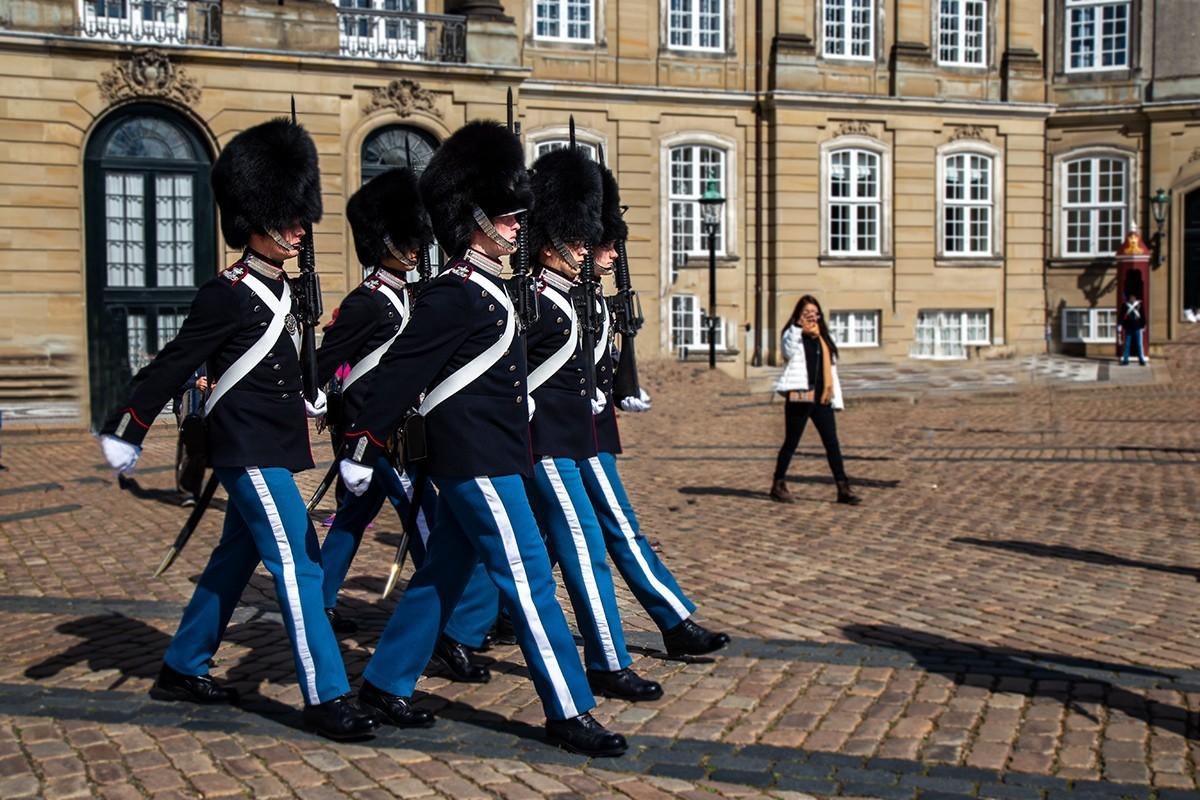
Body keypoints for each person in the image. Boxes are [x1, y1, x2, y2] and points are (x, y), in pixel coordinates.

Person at [337, 120, 627, 757]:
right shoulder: (454, 293)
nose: (520, 225)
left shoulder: (495, 286)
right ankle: (569, 707)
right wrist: (361, 445)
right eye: (506, 216)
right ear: (473, 220)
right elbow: (398, 373)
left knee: (441, 575)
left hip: (497, 454)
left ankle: (384, 682)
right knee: (530, 579)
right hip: (475, 462)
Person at [96, 117, 379, 741]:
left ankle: (182, 664)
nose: (301, 229)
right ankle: (327, 694)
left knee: (233, 561)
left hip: (273, 441)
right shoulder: (227, 292)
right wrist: (129, 424)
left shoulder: (285, 286)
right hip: (246, 447)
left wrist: (311, 392)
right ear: (257, 219)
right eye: (290, 218)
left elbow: (285, 364)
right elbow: (175, 361)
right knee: (302, 564)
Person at [313, 167, 495, 684]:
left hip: (396, 426)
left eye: (418, 239)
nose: (416, 249)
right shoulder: (366, 300)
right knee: (428, 523)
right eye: (406, 240)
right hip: (377, 432)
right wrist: (310, 395)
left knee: (353, 517)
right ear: (384, 241)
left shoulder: (411, 295)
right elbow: (330, 360)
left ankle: (319, 598)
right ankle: (442, 626)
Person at [517, 147, 661, 701]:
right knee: (583, 549)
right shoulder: (530, 299)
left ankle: (451, 634)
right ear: (551, 240)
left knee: (469, 562)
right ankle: (607, 660)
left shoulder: (573, 298)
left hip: (573, 440)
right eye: (577, 240)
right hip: (545, 443)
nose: (589, 249)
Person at [582, 165, 731, 659]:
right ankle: (674, 620)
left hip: (590, 432)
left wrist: (620, 386)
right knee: (619, 530)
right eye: (605, 246)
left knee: (530, 544)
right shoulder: (558, 296)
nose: (611, 254)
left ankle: (465, 626)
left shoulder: (593, 298)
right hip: (570, 436)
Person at [769, 295, 861, 506]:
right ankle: (778, 484)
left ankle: (843, 488)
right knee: (791, 442)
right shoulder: (792, 333)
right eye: (806, 312)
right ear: (798, 314)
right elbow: (787, 352)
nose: (811, 316)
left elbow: (832, 371)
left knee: (832, 444)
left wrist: (837, 400)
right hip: (800, 396)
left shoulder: (824, 337)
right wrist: (797, 327)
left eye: (814, 312)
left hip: (822, 397)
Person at [172, 367, 208, 507]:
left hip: (204, 406)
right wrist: (195, 383)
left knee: (201, 451)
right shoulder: (182, 358)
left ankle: (195, 490)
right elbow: (172, 380)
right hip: (186, 406)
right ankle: (185, 490)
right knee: (188, 449)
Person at [1119, 288, 1147, 366]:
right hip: (1129, 327)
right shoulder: (1125, 305)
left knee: (1139, 344)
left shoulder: (1139, 305)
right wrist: (1120, 324)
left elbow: (1143, 315)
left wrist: (1143, 324)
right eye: (1130, 297)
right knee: (1127, 344)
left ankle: (1141, 359)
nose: (1131, 298)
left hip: (1137, 327)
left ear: (1135, 298)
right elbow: (1121, 315)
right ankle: (1126, 359)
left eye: (1133, 297)